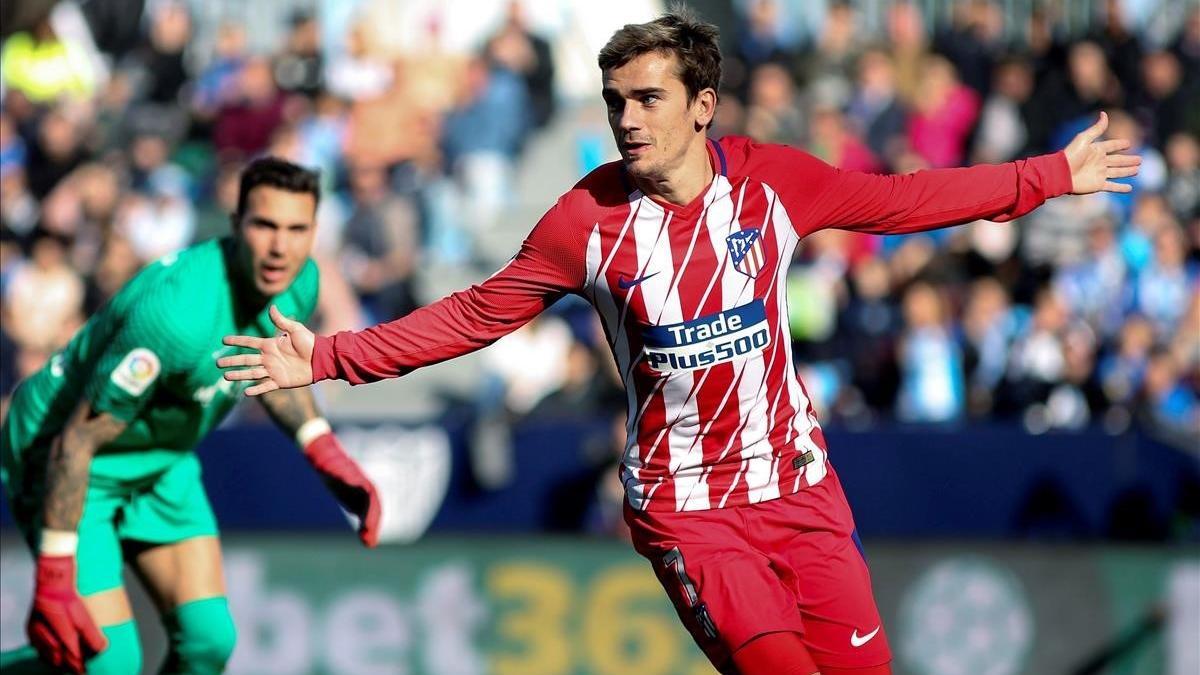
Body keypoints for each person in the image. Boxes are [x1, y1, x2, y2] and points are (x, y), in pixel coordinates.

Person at [219, 12, 1139, 675]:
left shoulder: (776, 183)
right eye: (616, 100)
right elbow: (476, 313)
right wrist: (332, 355)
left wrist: (1050, 174)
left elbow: (903, 203)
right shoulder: (585, 220)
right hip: (692, 513)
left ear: (703, 105)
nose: (628, 118)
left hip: (801, 488)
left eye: (649, 98)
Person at [0, 157, 381, 674]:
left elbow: (260, 369)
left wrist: (322, 447)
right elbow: (79, 441)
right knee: (109, 664)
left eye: (297, 229)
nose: (279, 247)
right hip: (70, 454)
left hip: (160, 455)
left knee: (208, 643)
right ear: (235, 224)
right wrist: (53, 576)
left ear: (315, 231)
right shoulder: (178, 314)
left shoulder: (302, 282)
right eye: (265, 225)